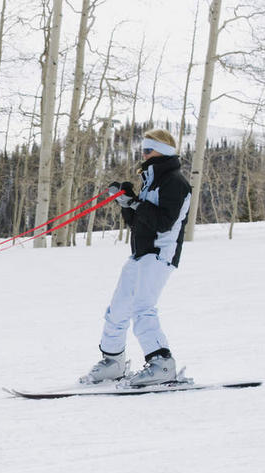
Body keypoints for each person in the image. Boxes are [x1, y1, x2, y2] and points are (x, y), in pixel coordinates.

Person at [81, 128, 191, 386]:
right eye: (142, 149)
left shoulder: (175, 182)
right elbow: (139, 222)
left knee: (143, 309)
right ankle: (113, 362)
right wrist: (125, 202)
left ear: (161, 151)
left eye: (147, 150)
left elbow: (163, 223)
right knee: (117, 310)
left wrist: (137, 203)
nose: (142, 154)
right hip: (140, 253)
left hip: (160, 254)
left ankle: (162, 364)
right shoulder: (151, 180)